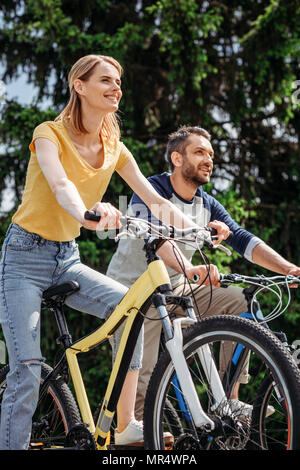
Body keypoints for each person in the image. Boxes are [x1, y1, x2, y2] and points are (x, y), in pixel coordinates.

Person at [0, 57, 231, 450]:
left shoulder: (114, 147)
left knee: (131, 311)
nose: (116, 88)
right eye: (105, 80)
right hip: (23, 259)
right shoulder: (49, 134)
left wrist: (195, 229)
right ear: (80, 86)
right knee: (27, 370)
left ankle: (125, 424)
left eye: (119, 81)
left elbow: (155, 200)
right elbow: (60, 186)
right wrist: (90, 213)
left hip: (65, 257)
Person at [107, 125, 300, 421]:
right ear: (177, 158)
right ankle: (131, 432)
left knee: (240, 304)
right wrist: (190, 268)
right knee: (140, 375)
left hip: (178, 289)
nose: (209, 159)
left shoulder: (206, 204)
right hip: (134, 292)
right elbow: (154, 241)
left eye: (211, 154)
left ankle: (228, 398)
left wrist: (288, 268)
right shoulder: (152, 189)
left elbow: (243, 239)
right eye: (199, 152)